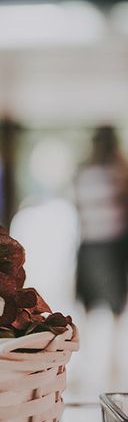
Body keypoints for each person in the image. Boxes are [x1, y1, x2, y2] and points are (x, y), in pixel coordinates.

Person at [75, 125, 128, 316]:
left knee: (89, 299)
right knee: (115, 300)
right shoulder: (118, 171)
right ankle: (111, 344)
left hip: (91, 239)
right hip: (112, 240)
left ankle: (86, 339)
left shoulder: (84, 171)